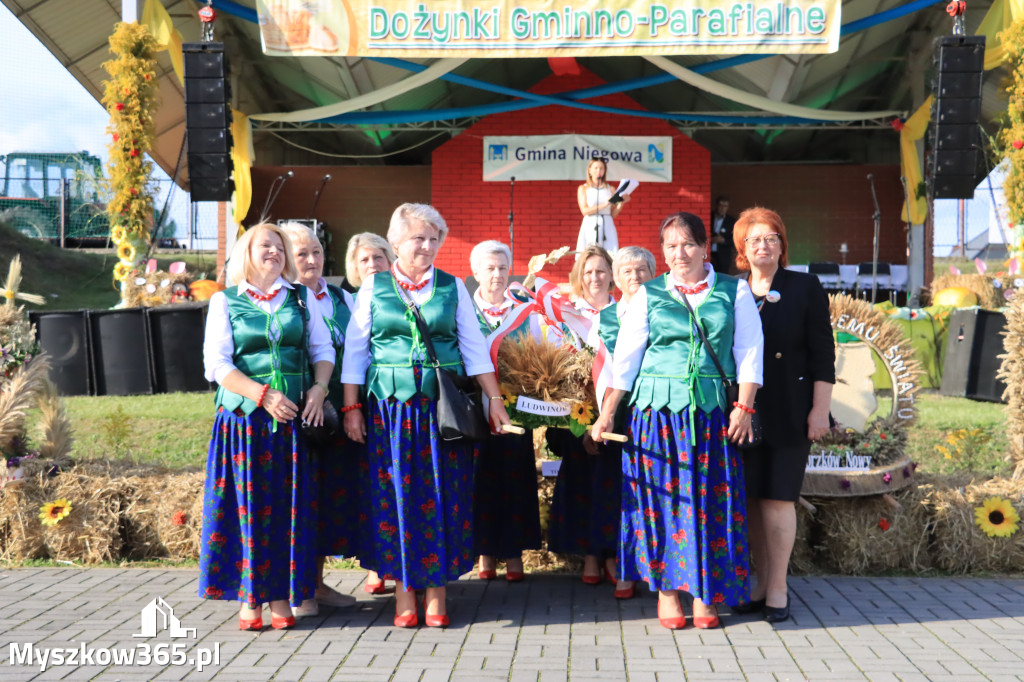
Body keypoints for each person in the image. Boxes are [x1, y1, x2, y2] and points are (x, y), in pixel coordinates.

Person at [341, 203, 512, 628]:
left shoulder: (453, 286)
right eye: (419, 237)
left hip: (442, 413)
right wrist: (351, 407)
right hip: (389, 410)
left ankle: (436, 589)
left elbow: (474, 350)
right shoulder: (373, 288)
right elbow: (355, 354)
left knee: (441, 494)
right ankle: (404, 588)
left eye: (434, 239)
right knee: (396, 496)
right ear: (396, 241)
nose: (428, 245)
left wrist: (494, 400)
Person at [590, 212, 763, 630]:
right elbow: (626, 361)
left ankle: (705, 593)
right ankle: (667, 592)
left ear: (706, 247)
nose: (679, 253)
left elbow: (750, 351)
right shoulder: (649, 294)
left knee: (709, 503)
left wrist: (743, 407)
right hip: (656, 417)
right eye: (670, 246)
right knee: (662, 505)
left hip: (710, 416)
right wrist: (608, 412)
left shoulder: (733, 291)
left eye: (687, 244)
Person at [200, 222, 335, 631]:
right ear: (247, 252)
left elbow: (322, 349)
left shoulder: (300, 299)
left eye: (280, 246)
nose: (275, 252)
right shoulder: (225, 302)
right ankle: (249, 598)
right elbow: (216, 365)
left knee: (287, 510)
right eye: (266, 245)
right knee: (249, 510)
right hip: (244, 424)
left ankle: (280, 596)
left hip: (294, 422)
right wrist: (263, 395)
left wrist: (319, 388)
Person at [730, 207, 835, 623]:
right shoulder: (732, 290)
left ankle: (778, 587)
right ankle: (758, 581)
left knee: (778, 498)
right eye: (754, 239)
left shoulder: (804, 286)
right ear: (741, 248)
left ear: (782, 245)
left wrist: (820, 411)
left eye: (771, 237)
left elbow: (823, 355)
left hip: (791, 410)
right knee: (752, 499)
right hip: (743, 412)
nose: (763, 245)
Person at [280, 222, 359, 617]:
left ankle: (316, 583)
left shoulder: (344, 298)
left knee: (326, 503)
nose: (312, 261)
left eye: (317, 252)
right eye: (302, 254)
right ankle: (301, 591)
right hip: (295, 415)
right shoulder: (280, 302)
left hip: (336, 416)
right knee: (300, 502)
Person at [468, 240, 543, 583]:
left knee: (515, 478)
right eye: (489, 268)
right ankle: (485, 553)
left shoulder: (524, 310)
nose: (496, 275)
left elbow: (540, 352)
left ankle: (513, 553)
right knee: (480, 479)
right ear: (475, 273)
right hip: (474, 412)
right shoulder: (464, 311)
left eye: (502, 268)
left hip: (515, 411)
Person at [546, 245, 621, 586]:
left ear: (612, 275)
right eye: (588, 271)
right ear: (579, 277)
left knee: (613, 487)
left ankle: (613, 556)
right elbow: (557, 369)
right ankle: (591, 556)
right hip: (576, 416)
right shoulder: (566, 317)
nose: (595, 277)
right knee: (583, 484)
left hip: (617, 413)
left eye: (602, 270)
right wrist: (580, 424)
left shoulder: (626, 314)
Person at [586, 245, 656, 600]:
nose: (634, 275)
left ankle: (648, 566)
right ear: (616, 277)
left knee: (651, 490)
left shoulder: (664, 310)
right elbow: (589, 366)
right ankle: (621, 564)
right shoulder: (606, 317)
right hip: (613, 415)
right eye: (626, 270)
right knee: (619, 491)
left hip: (653, 411)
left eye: (642, 269)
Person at [342, 231, 397, 596]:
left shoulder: (399, 294)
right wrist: (352, 408)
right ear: (354, 268)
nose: (373, 265)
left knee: (395, 485)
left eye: (379, 257)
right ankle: (378, 564)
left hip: (393, 403)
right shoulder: (352, 298)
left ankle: (397, 562)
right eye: (365, 260)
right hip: (363, 402)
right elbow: (354, 356)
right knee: (374, 489)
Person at [576, 157, 629, 254]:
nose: (598, 171)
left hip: (607, 224)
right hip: (591, 224)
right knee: (589, 253)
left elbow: (613, 214)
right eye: (596, 168)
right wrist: (604, 204)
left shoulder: (610, 189)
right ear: (589, 170)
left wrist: (621, 202)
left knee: (609, 254)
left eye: (601, 168)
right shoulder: (583, 188)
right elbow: (585, 211)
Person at [710, 195, 736, 275]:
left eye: (725, 206)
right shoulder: (708, 217)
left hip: (723, 255)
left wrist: (722, 240)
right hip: (709, 254)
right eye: (721, 205)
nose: (722, 208)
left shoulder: (731, 221)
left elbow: (735, 240)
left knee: (722, 277)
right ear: (716, 205)